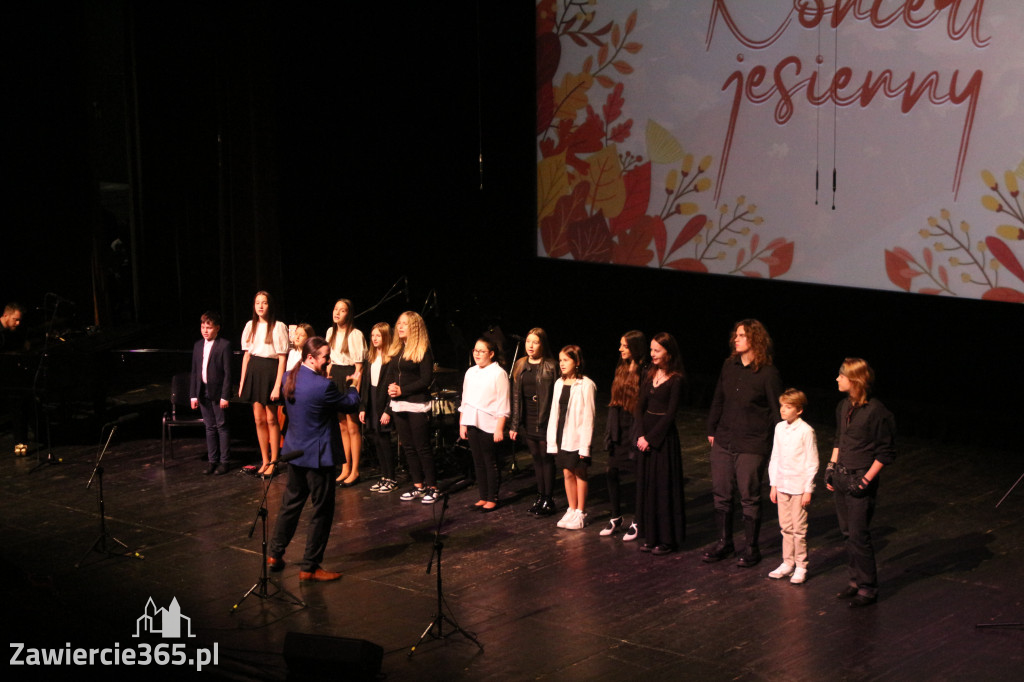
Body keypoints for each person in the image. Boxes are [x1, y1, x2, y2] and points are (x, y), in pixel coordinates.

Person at [266, 336, 360, 581]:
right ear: (310, 357)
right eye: (325, 358)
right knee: (322, 511)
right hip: (319, 457)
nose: (328, 362)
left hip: (296, 452)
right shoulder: (323, 386)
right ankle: (309, 566)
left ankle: (275, 554)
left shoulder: (288, 377)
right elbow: (350, 404)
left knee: (291, 505)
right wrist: (353, 385)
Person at [704, 319, 783, 567]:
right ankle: (724, 542)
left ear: (754, 340)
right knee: (721, 493)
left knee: (749, 496)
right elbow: (718, 398)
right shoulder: (729, 366)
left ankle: (751, 547)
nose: (735, 339)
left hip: (752, 443)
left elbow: (776, 412)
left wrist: (772, 443)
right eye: (735, 335)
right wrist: (712, 428)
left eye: (741, 335)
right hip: (724, 439)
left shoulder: (768, 373)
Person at [826, 359, 896, 607]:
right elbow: (838, 439)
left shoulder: (876, 411)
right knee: (847, 534)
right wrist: (830, 468)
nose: (837, 379)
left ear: (854, 380)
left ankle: (868, 588)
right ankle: (855, 581)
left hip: (860, 479)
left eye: (841, 375)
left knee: (859, 535)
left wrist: (865, 481)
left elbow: (885, 453)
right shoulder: (843, 406)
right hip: (842, 477)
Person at [634, 333, 686, 555]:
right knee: (648, 487)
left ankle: (667, 539)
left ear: (668, 352)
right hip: (645, 438)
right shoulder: (649, 373)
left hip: (663, 440)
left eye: (657, 350)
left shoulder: (676, 379)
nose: (652, 354)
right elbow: (639, 406)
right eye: (652, 349)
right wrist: (640, 434)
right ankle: (651, 535)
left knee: (663, 488)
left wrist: (651, 438)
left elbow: (670, 414)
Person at [766, 389, 818, 584]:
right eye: (782, 406)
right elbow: (775, 456)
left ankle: (801, 565)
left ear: (799, 410)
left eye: (788, 407)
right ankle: (787, 563)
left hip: (798, 486)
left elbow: (812, 462)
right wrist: (773, 485)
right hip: (782, 484)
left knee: (799, 529)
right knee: (785, 527)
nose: (783, 410)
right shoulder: (779, 428)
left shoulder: (806, 431)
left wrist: (808, 489)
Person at [600, 330, 646, 540]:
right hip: (620, 426)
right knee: (611, 471)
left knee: (638, 476)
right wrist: (610, 432)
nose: (620, 349)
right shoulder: (621, 368)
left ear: (635, 348)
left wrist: (641, 434)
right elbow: (613, 402)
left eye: (625, 346)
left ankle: (638, 520)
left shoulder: (645, 371)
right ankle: (616, 516)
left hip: (636, 428)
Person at [238, 291, 289, 476]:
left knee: (271, 418)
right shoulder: (250, 326)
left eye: (264, 303)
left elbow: (282, 358)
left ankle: (274, 461)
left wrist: (277, 385)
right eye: (257, 302)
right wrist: (243, 381)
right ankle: (265, 460)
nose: (260, 306)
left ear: (270, 305)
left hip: (270, 371)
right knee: (259, 419)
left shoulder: (278, 327)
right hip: (254, 370)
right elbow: (247, 355)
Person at [389, 311, 438, 504]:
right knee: (408, 447)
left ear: (415, 328)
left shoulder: (423, 349)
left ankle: (433, 487)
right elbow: (394, 374)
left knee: (422, 447)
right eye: (399, 323)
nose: (400, 327)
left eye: (405, 324)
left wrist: (402, 390)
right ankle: (418, 485)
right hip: (399, 404)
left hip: (417, 403)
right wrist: (393, 388)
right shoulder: (398, 349)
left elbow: (426, 380)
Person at [509, 328, 558, 516]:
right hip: (528, 417)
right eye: (528, 341)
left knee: (547, 458)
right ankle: (540, 496)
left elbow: (557, 395)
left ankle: (549, 498)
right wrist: (514, 424)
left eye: (535, 342)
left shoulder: (552, 365)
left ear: (542, 344)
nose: (530, 345)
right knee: (536, 458)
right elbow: (515, 396)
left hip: (545, 418)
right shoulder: (520, 364)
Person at [548, 345, 596, 531]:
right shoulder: (559, 383)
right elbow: (554, 413)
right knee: (567, 472)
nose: (562, 364)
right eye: (560, 360)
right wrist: (553, 440)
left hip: (578, 436)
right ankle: (571, 507)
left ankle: (581, 512)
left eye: (566, 360)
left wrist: (585, 446)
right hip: (563, 435)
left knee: (579, 472)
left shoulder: (586, 385)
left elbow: (589, 417)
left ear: (577, 362)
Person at [460, 338, 510, 512]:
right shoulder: (470, 372)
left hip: (489, 424)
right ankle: (482, 496)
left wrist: (499, 427)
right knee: (478, 461)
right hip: (472, 421)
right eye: (475, 350)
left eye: (482, 351)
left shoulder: (498, 373)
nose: (477, 354)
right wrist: (462, 423)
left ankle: (492, 497)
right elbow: (465, 400)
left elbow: (503, 403)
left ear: (491, 353)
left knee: (490, 461)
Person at [326, 299, 366, 486]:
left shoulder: (355, 334)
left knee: (352, 426)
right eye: (335, 309)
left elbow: (359, 366)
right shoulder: (330, 332)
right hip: (335, 376)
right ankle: (345, 467)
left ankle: (355, 470)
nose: (337, 313)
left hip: (349, 376)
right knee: (341, 426)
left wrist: (355, 391)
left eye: (342, 310)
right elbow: (329, 362)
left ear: (348, 314)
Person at [189, 311, 232, 475]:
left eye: (209, 327)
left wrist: (225, 396)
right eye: (203, 327)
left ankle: (225, 461)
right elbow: (194, 371)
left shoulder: (224, 345)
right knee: (209, 427)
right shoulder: (198, 345)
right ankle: (212, 461)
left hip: (218, 393)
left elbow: (228, 373)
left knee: (222, 426)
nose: (205, 330)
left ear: (217, 328)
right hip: (202, 392)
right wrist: (193, 395)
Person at [361, 322, 397, 493]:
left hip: (384, 402)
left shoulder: (391, 359)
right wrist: (363, 408)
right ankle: (384, 476)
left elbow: (393, 385)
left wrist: (388, 411)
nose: (374, 338)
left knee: (384, 440)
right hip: (372, 400)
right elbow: (365, 386)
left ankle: (391, 477)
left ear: (386, 337)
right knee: (376, 439)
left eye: (378, 335)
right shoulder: (370, 357)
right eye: (373, 335)